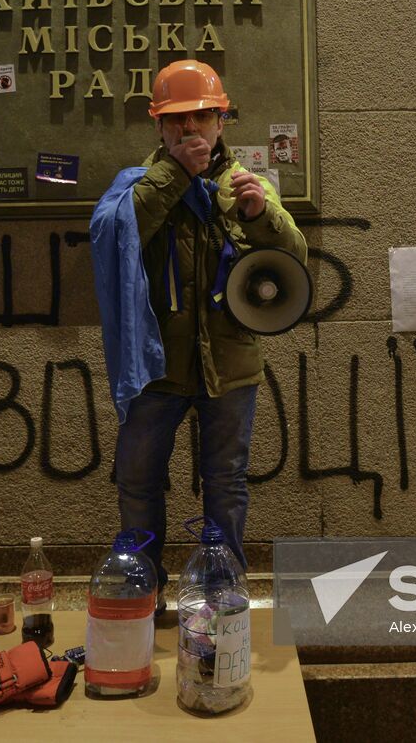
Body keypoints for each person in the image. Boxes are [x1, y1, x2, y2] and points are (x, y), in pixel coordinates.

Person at [91, 59, 307, 609]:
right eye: (178, 121)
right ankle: (145, 590)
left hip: (230, 365)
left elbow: (295, 260)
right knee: (137, 480)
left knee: (227, 482)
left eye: (202, 118)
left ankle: (221, 593)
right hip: (156, 366)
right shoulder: (140, 186)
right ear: (158, 125)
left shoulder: (244, 186)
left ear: (222, 120)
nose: (191, 131)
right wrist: (177, 176)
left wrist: (260, 215)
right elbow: (119, 234)